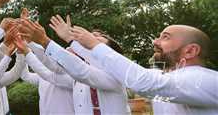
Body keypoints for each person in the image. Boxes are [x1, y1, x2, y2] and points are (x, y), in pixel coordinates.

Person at [70, 24, 218, 115]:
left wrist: (93, 44)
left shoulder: (203, 79)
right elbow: (135, 73)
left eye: (165, 37)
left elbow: (142, 81)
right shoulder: (164, 76)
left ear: (190, 51)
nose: (155, 41)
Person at [19, 17, 130, 115]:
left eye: (98, 37)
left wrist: (44, 40)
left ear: (110, 53)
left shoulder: (114, 75)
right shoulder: (77, 77)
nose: (91, 37)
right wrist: (30, 43)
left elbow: (81, 70)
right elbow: (54, 67)